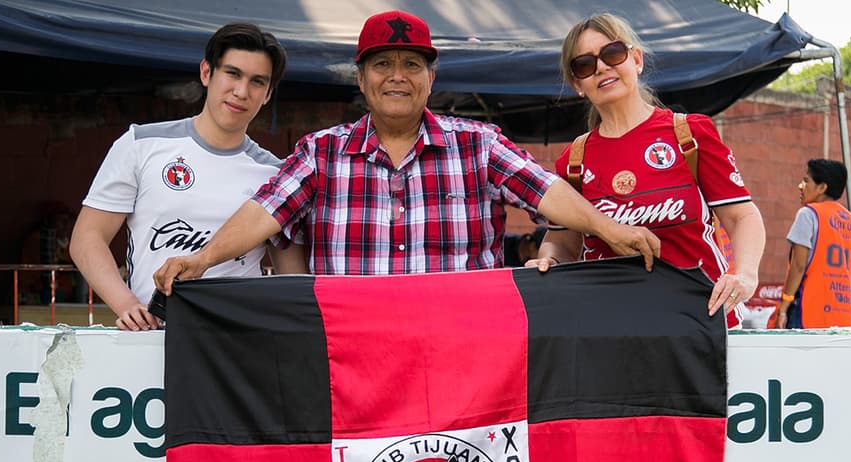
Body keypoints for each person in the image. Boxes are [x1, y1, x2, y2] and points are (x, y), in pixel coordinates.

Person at [152, 10, 660, 293]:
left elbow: (547, 191)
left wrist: (608, 229)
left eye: (412, 65)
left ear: (430, 78)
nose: (397, 76)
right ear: (362, 79)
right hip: (350, 358)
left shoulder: (478, 145)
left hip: (465, 354)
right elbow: (265, 212)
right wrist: (202, 259)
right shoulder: (321, 153)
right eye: (383, 64)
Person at [527, 13, 765, 321]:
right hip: (609, 328)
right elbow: (560, 243)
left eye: (613, 53)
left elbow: (741, 216)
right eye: (584, 65)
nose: (601, 67)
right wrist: (547, 262)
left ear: (636, 59)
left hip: (699, 323)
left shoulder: (690, 134)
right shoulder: (574, 159)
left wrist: (745, 274)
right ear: (578, 84)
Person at [70, 22, 305, 331]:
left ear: (267, 94)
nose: (241, 91)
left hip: (237, 342)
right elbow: (87, 238)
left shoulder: (277, 176)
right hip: (151, 339)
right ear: (207, 73)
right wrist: (127, 305)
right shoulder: (141, 145)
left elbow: (294, 280)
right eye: (232, 74)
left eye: (257, 81)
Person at [776, 158, 851, 329]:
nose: (800, 186)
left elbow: (799, 266)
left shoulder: (808, 215)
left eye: (806, 181)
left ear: (822, 187)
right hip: (843, 317)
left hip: (808, 313)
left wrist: (784, 307)